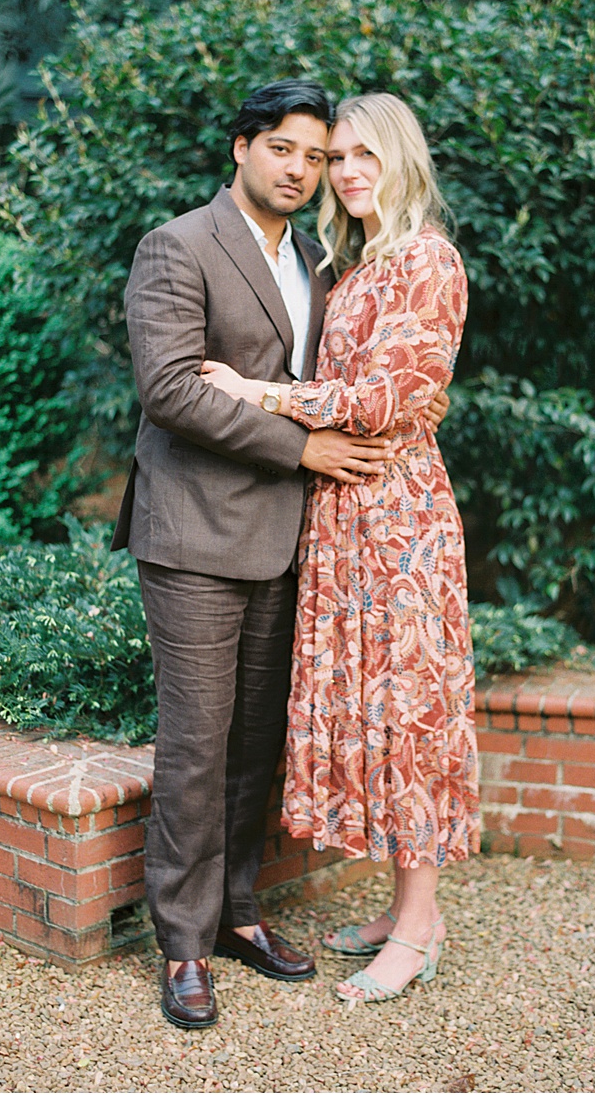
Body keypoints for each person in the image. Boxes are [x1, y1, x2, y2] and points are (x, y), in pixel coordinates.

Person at [112, 78, 397, 1030]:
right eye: (284, 149)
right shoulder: (178, 246)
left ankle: (237, 911)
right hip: (193, 535)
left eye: (317, 158)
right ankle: (184, 944)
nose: (303, 170)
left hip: (287, 539)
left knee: (253, 747)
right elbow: (171, 392)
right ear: (241, 147)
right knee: (195, 746)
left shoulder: (317, 257)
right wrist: (304, 446)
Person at [198, 91, 478, 1003]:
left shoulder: (428, 262)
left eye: (367, 155)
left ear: (403, 160)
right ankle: (407, 911)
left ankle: (420, 928)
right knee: (375, 712)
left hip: (398, 516)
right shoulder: (352, 268)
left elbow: (390, 398)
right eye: (338, 157)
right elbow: (351, 384)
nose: (349, 172)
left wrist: (259, 393)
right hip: (341, 513)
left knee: (413, 715)